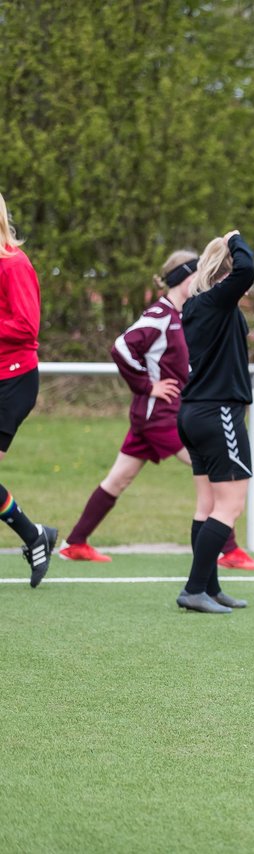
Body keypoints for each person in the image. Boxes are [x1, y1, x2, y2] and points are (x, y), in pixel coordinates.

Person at [58, 251, 254, 570]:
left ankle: (75, 543)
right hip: (159, 415)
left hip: (155, 416)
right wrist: (147, 385)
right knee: (218, 470)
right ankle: (229, 549)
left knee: (119, 479)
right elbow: (122, 346)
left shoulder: (190, 312)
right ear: (186, 278)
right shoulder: (160, 314)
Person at [173, 229, 254, 614]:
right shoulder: (217, 301)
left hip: (194, 413)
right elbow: (248, 270)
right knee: (230, 506)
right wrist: (236, 238)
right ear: (226, 273)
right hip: (218, 412)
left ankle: (209, 587)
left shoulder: (197, 305)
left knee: (206, 505)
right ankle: (194, 589)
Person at [0, 191, 57, 587]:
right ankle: (35, 535)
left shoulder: (14, 264)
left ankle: (33, 535)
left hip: (13, 381)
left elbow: (27, 327)